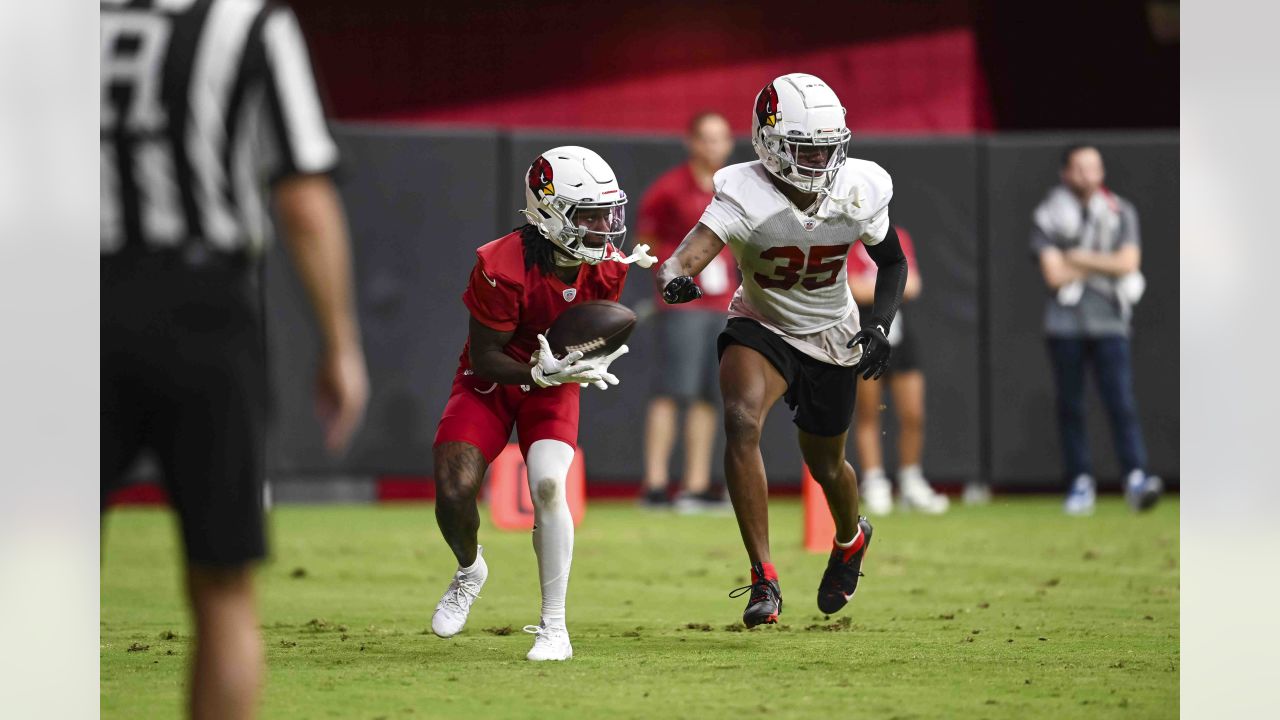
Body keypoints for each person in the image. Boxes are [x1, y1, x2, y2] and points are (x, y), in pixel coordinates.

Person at [100, 1, 369, 718]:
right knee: (222, 585)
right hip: (202, 313)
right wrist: (339, 344)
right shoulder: (248, 23)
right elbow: (304, 194)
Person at [655, 73, 908, 627]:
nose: (819, 161)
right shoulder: (744, 190)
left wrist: (881, 324)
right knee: (741, 419)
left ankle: (849, 537)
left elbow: (892, 261)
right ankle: (763, 577)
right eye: (806, 148)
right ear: (769, 144)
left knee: (827, 464)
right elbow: (688, 253)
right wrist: (674, 275)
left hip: (831, 332)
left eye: (827, 147)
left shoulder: (859, 187)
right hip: (762, 323)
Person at [430, 147, 655, 661]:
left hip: (555, 381)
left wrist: (575, 362)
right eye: (589, 215)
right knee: (453, 489)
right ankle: (470, 570)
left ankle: (554, 625)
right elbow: (486, 357)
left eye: (608, 213)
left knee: (550, 483)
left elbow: (586, 332)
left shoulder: (606, 268)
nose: (604, 228)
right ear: (548, 213)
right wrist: (535, 370)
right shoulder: (500, 265)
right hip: (493, 378)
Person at [1031, 144, 1161, 515]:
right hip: (1065, 325)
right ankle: (1079, 482)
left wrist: (1078, 257)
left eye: (1095, 167)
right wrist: (1105, 263)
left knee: (1121, 401)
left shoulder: (1122, 211)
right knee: (1071, 405)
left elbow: (1129, 262)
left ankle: (1136, 476)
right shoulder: (1048, 215)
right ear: (1066, 173)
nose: (1089, 175)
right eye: (1081, 168)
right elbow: (1054, 275)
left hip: (1110, 322)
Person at [637, 111, 738, 513]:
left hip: (724, 302)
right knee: (670, 390)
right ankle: (656, 483)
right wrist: (668, 283)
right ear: (693, 142)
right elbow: (646, 241)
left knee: (708, 395)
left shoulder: (736, 185)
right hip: (683, 305)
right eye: (707, 138)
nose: (714, 146)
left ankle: (696, 485)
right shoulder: (669, 189)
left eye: (721, 138)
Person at [847, 227, 949, 514]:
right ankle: (875, 481)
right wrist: (890, 285)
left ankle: (911, 479)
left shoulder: (898, 236)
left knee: (913, 412)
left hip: (898, 330)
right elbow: (852, 287)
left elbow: (913, 284)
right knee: (868, 412)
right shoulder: (847, 239)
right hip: (864, 328)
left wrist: (879, 287)